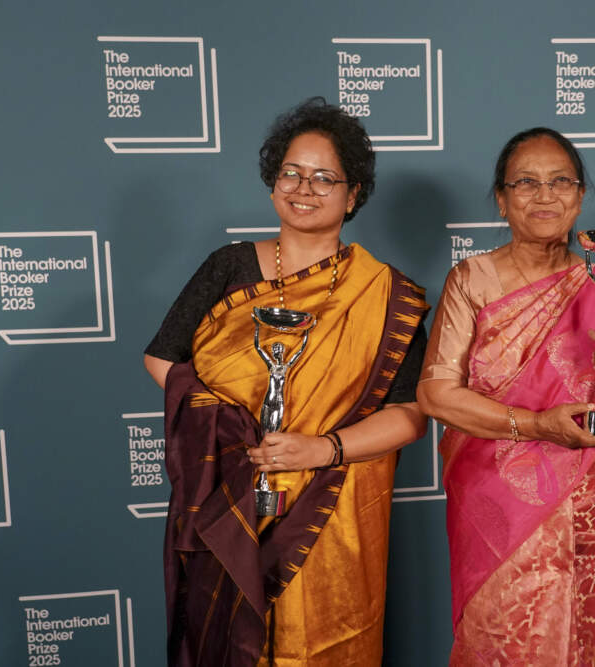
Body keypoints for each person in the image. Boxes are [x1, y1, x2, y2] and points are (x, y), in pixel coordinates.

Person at [143, 98, 430, 666]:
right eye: (291, 173)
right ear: (273, 183)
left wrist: (321, 448)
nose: (305, 188)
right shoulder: (229, 265)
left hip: (331, 514)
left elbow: (412, 414)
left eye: (325, 178)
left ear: (353, 196)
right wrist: (229, 429)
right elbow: (163, 359)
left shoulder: (385, 295)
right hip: (229, 493)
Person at [417, 127, 595, 666]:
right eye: (526, 183)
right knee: (505, 635)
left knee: (584, 633)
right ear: (503, 201)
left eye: (560, 182)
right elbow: (436, 395)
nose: (545, 195)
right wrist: (536, 426)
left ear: (579, 197)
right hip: (498, 505)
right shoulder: (473, 279)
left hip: (592, 500)